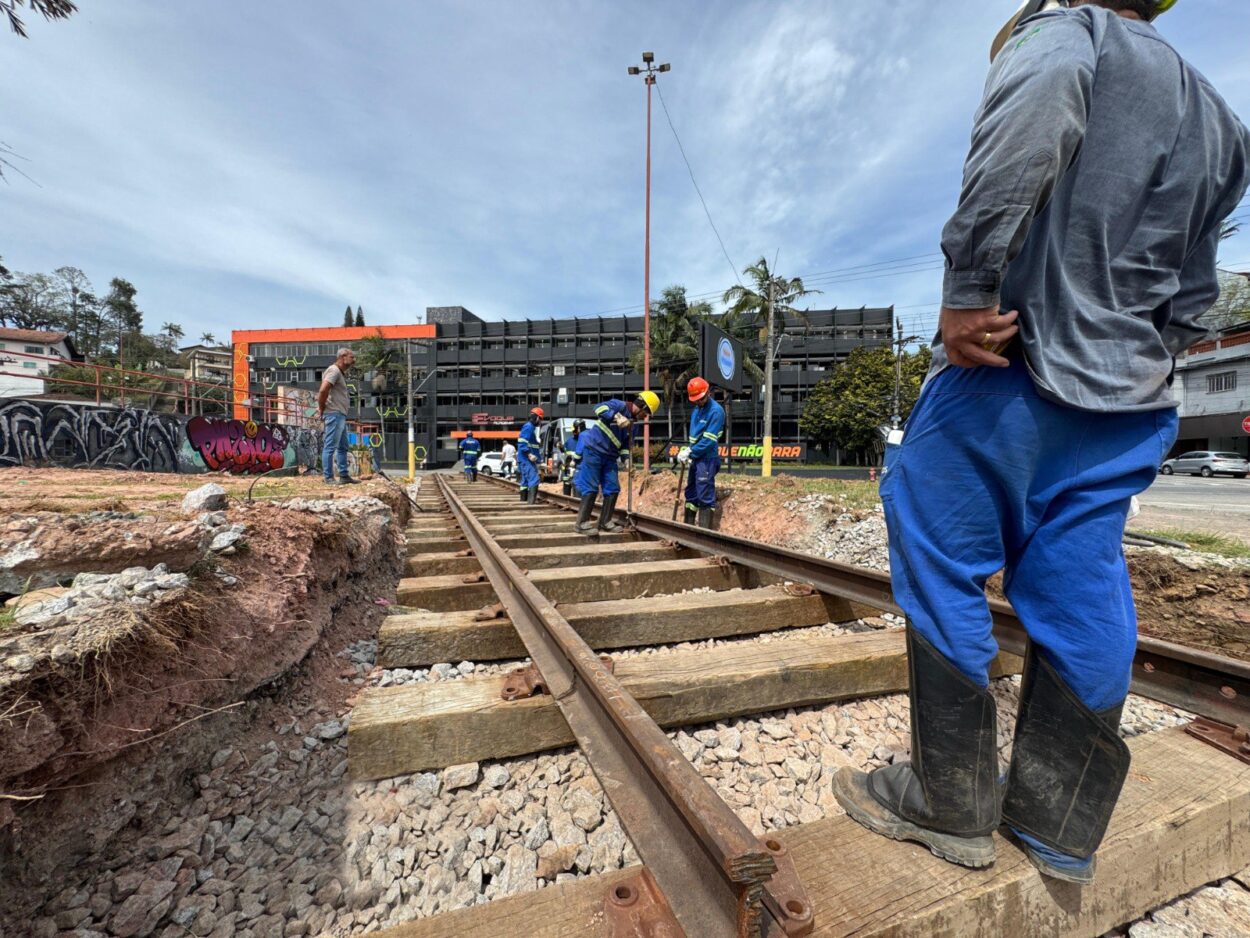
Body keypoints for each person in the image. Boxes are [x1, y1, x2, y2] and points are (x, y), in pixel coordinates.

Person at [833, 0, 1249, 886]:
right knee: (1081, 578)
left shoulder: (1068, 34)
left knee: (937, 547)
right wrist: (1149, 352)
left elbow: (1034, 112)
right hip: (1132, 400)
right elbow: (1195, 284)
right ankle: (1059, 824)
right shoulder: (1221, 119)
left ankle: (951, 802)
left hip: (1015, 364)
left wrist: (972, 280)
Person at [573, 392, 661, 536]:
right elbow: (598, 408)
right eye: (646, 413)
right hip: (594, 450)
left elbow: (625, 445)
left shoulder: (634, 425)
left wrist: (627, 459)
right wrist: (616, 416)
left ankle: (605, 522)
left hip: (610, 457)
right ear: (642, 406)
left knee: (613, 488)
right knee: (591, 488)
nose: (645, 417)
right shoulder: (619, 405)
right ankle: (581, 523)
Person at [676, 377, 724, 529]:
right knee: (691, 494)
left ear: (708, 393)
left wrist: (691, 451)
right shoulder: (697, 410)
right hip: (696, 458)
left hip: (707, 459)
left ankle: (704, 534)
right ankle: (688, 531)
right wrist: (689, 451)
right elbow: (695, 436)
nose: (698, 402)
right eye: (695, 400)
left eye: (701, 399)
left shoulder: (716, 411)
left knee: (704, 494)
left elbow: (709, 440)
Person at [317, 347, 358, 486]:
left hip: (339, 414)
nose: (354, 360)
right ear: (342, 356)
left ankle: (344, 475)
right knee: (330, 446)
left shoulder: (339, 373)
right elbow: (323, 390)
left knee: (343, 447)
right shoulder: (333, 371)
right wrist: (322, 408)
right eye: (351, 357)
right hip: (333, 413)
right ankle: (328, 478)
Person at [517, 407, 544, 504]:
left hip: (525, 458)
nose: (540, 422)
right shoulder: (529, 427)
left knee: (524, 482)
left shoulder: (530, 428)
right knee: (534, 479)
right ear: (536, 418)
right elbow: (522, 442)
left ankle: (524, 502)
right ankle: (531, 504)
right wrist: (529, 454)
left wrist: (539, 461)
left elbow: (532, 445)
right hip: (526, 459)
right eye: (540, 419)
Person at [561, 420, 586, 496]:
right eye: (573, 431)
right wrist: (560, 447)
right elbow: (564, 452)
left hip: (579, 467)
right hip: (569, 468)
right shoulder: (569, 441)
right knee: (567, 483)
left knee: (577, 486)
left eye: (575, 430)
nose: (574, 432)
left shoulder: (583, 439)